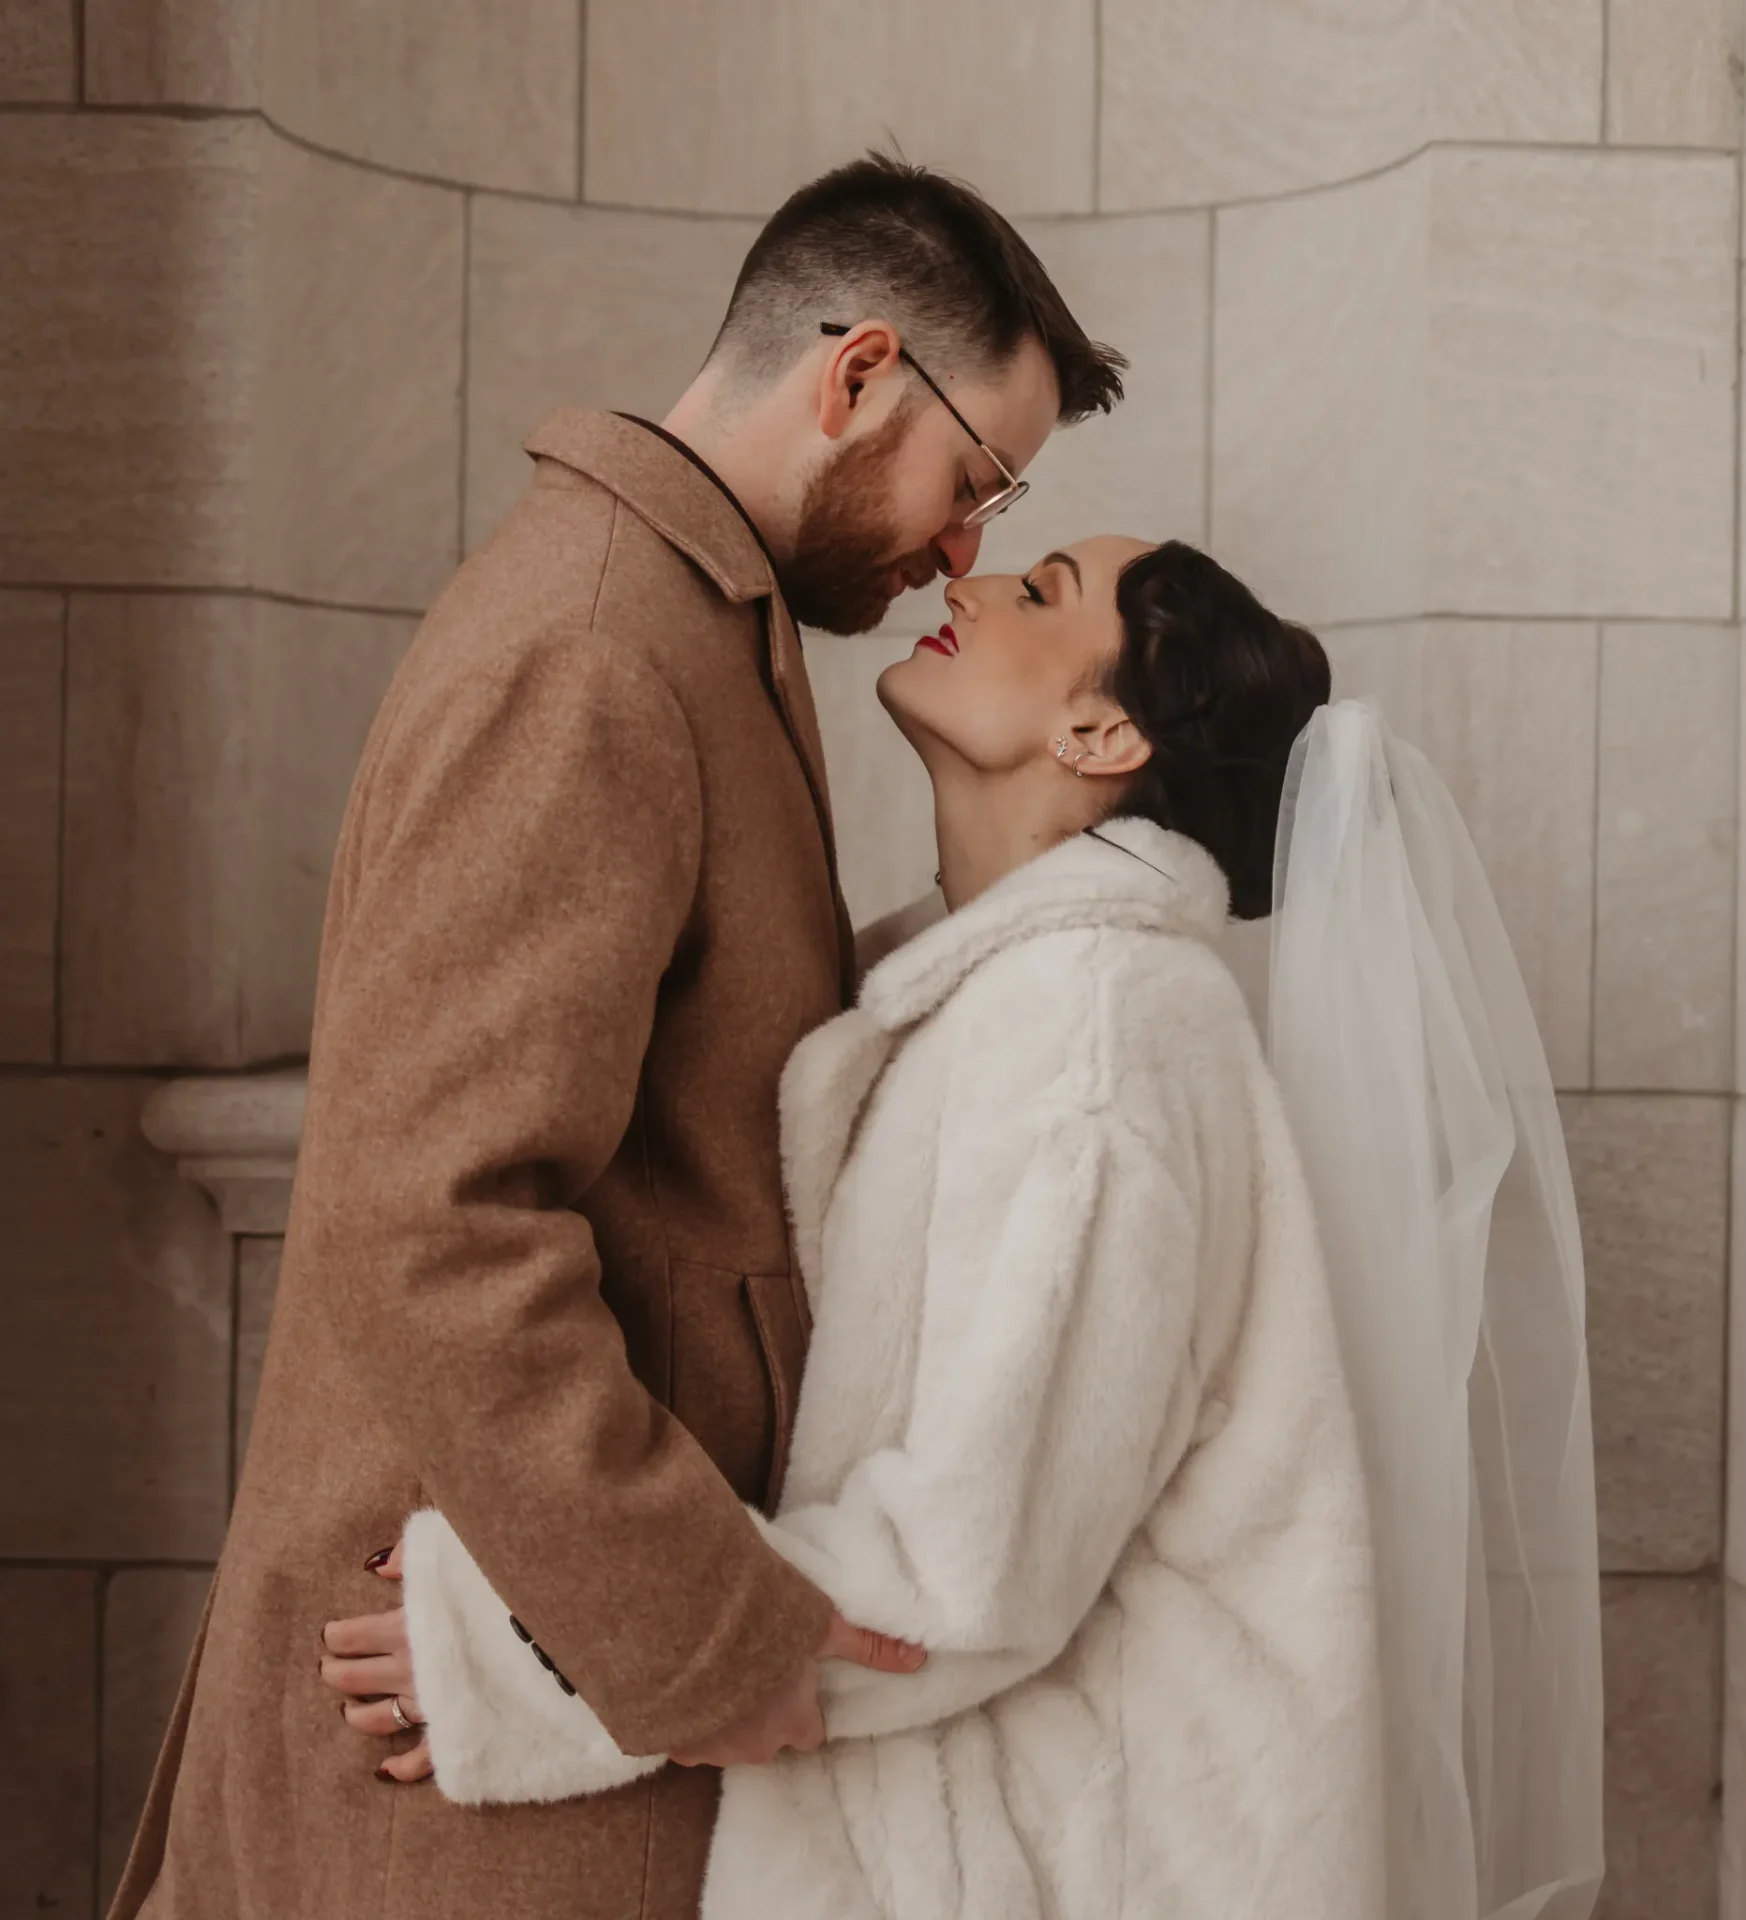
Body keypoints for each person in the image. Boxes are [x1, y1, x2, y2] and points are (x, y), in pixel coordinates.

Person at [107, 154, 1127, 1920]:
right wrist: (696, 1629)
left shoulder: (688, 614)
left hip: (538, 1652)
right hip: (455, 1689)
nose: (965, 550)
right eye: (972, 482)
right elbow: (428, 1215)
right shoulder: (595, 643)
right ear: (858, 372)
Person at [327, 538, 1604, 1919]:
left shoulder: (1096, 1029)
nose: (969, 587)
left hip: (1097, 1854)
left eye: (1040, 592)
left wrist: (543, 1642)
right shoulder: (989, 998)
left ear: (1099, 731)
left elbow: (974, 1566)